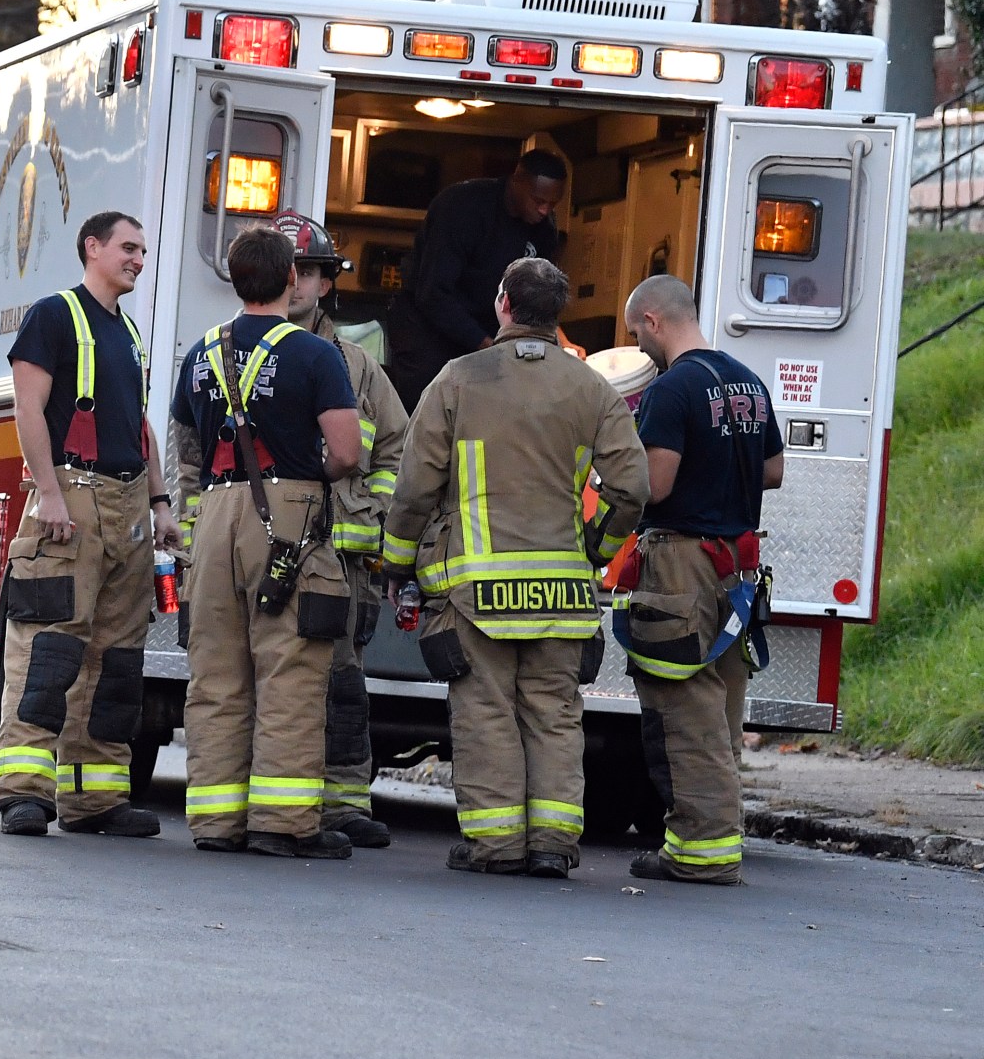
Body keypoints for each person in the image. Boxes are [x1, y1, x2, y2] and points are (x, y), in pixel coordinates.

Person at [380, 258, 647, 879]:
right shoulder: (590, 388)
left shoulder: (456, 381)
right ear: (558, 313)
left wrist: (397, 561)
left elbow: (416, 487)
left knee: (486, 712)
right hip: (561, 592)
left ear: (502, 303)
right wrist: (595, 549)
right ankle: (553, 845)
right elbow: (631, 485)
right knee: (554, 713)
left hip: (478, 594)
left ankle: (496, 845)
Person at [172, 225, 364, 859]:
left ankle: (215, 822)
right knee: (289, 668)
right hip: (286, 515)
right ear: (290, 280)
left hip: (215, 515)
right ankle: (280, 823)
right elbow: (345, 451)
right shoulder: (316, 355)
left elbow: (187, 451)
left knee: (217, 673)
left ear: (233, 278)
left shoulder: (200, 352)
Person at [0, 211, 181, 838]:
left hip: (127, 507)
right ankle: (22, 791)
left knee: (116, 660)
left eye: (143, 251)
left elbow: (139, 429)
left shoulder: (127, 331)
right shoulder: (54, 316)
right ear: (91, 248)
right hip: (71, 496)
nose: (138, 259)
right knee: (48, 650)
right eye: (128, 248)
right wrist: (48, 492)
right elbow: (28, 408)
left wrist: (159, 504)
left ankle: (94, 798)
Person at [617, 274, 784, 885]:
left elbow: (655, 486)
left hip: (682, 565)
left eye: (638, 334)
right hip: (737, 568)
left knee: (683, 709)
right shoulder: (748, 382)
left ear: (655, 320)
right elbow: (773, 470)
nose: (639, 348)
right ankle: (713, 837)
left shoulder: (672, 390)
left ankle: (700, 849)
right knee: (721, 708)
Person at [273, 210, 408, 849]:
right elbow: (195, 455)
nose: (297, 282)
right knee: (268, 682)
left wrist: (371, 519)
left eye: (309, 272)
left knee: (343, 689)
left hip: (343, 560)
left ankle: (343, 802)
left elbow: (397, 453)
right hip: (265, 554)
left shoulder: (357, 368)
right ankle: (270, 800)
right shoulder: (230, 351)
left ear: (327, 283)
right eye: (288, 269)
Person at [385, 151, 569, 409]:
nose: (544, 210)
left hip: (492, 328)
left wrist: (559, 339)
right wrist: (487, 344)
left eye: (552, 204)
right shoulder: (461, 208)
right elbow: (433, 293)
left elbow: (537, 297)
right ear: (517, 181)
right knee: (428, 408)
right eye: (538, 200)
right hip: (427, 327)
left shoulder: (544, 230)